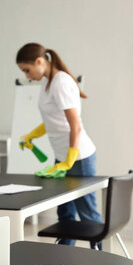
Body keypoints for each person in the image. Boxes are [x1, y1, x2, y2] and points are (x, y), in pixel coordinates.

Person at [16, 42, 101, 248]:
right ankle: (64, 257)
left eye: (27, 70)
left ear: (39, 61)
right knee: (65, 212)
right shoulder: (48, 83)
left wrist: (70, 159)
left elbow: (75, 125)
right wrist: (32, 135)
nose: (27, 76)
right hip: (62, 157)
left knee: (87, 214)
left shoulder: (61, 82)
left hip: (78, 158)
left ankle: (102, 257)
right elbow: (53, 120)